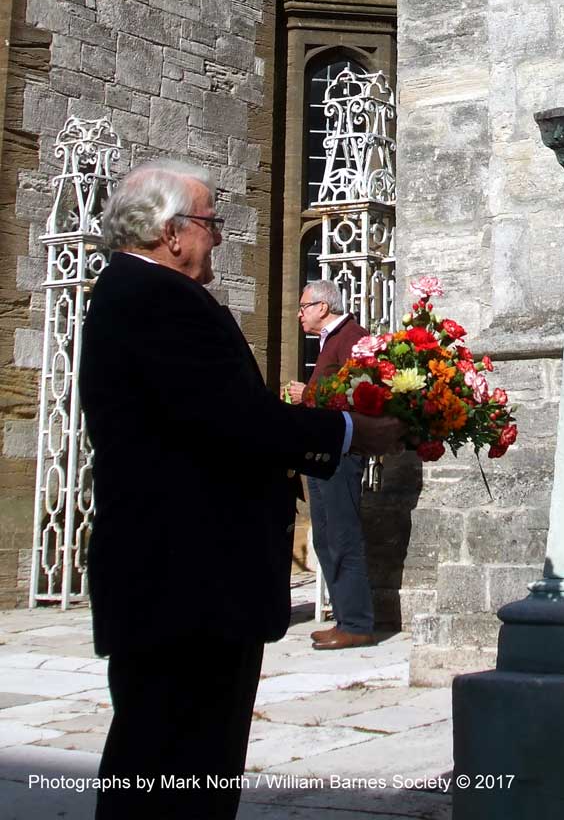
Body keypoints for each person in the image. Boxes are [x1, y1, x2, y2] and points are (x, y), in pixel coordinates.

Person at [79, 159, 401, 818]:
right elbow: (233, 418)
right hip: (185, 582)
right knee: (176, 765)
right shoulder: (155, 299)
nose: (218, 237)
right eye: (209, 222)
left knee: (176, 761)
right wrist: (349, 432)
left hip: (181, 581)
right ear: (171, 232)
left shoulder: (139, 294)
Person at [286, 280, 378, 651]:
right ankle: (346, 619)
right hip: (323, 451)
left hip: (341, 452)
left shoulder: (353, 337)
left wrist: (306, 393)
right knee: (325, 536)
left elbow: (362, 392)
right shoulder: (331, 340)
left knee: (342, 535)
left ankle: (357, 622)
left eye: (304, 306)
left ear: (323, 307)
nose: (299, 313)